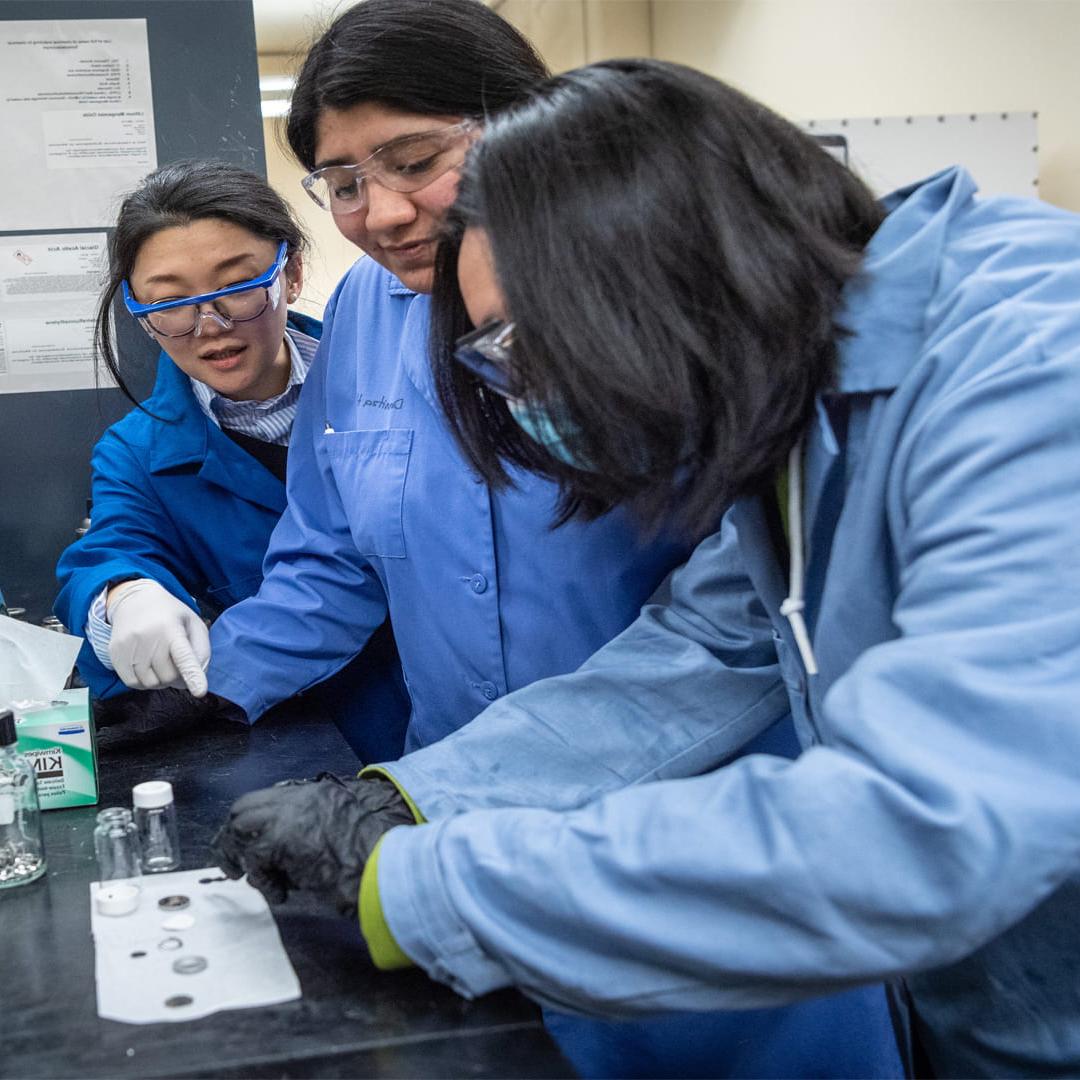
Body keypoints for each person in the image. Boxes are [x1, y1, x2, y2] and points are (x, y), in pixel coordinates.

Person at [212, 58, 1080, 1077]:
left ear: (658, 268)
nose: (517, 393)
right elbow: (703, 648)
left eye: (519, 342)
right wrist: (410, 800)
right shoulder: (799, 373)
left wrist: (423, 883)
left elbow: (928, 825)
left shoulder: (1034, 365)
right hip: (988, 1011)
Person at [54, 160, 408, 762]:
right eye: (170, 303)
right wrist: (124, 596)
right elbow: (112, 550)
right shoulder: (138, 454)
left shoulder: (397, 383)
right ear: (141, 315)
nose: (210, 325)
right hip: (292, 747)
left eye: (237, 285)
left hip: (453, 717)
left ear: (290, 272)